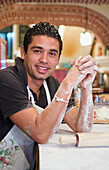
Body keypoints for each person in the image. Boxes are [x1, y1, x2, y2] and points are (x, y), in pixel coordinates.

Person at [0, 22, 98, 169]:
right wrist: (68, 82)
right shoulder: (6, 80)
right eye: (37, 51)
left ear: (57, 59)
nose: (44, 60)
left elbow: (81, 127)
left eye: (52, 53)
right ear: (23, 52)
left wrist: (86, 86)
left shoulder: (50, 84)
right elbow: (40, 134)